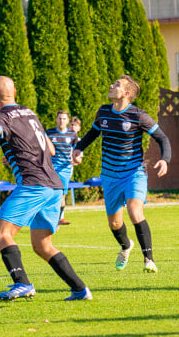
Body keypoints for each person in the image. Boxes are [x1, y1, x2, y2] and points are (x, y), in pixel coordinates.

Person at [0, 76, 91, 301]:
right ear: (15, 92)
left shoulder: (0, 116)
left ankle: (22, 283)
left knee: (1, 234)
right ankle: (80, 289)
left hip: (33, 184)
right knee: (42, 245)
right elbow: (51, 150)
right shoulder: (30, 113)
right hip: (54, 185)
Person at [72, 75, 171, 273]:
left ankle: (148, 260)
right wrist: (78, 148)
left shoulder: (138, 115)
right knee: (115, 223)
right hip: (109, 175)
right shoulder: (103, 112)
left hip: (134, 172)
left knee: (135, 212)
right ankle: (126, 246)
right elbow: (93, 133)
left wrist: (164, 159)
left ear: (126, 94)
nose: (111, 85)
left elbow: (162, 138)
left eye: (116, 84)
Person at [46, 110, 79, 224]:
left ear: (67, 120)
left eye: (64, 119)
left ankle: (58, 220)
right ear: (56, 119)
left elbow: (77, 151)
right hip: (52, 168)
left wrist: (76, 159)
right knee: (51, 193)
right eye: (59, 118)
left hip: (65, 169)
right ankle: (51, 219)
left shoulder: (72, 134)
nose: (61, 121)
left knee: (62, 196)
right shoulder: (49, 133)